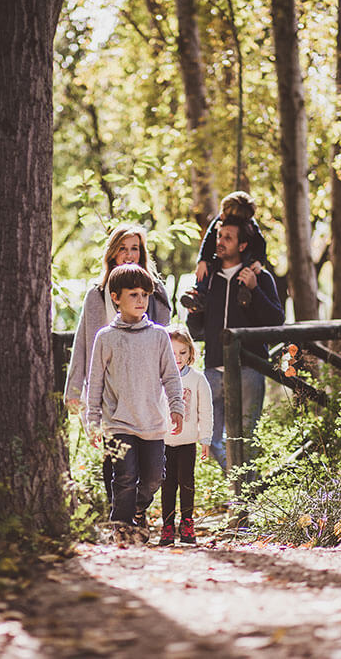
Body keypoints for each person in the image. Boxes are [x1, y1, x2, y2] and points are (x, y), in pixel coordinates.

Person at [64, 223, 171, 504]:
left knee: (151, 466)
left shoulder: (155, 292)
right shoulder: (97, 294)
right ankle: (120, 516)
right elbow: (83, 344)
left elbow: (165, 340)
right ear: (112, 253)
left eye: (134, 248)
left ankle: (135, 508)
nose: (129, 254)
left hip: (144, 388)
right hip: (107, 386)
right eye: (122, 248)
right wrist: (74, 390)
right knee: (115, 456)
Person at [86, 264, 184, 539]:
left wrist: (176, 406)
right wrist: (93, 423)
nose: (141, 300)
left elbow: (171, 377)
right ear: (116, 297)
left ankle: (138, 510)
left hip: (152, 422)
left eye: (145, 294)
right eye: (134, 294)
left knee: (154, 478)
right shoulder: (106, 338)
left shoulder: (159, 336)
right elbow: (95, 384)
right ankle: (122, 527)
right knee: (124, 478)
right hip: (118, 423)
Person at [185, 215, 285, 471]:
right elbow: (194, 329)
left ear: (242, 245)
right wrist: (195, 310)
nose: (220, 241)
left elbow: (275, 322)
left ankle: (243, 505)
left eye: (228, 237)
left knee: (246, 440)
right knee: (212, 438)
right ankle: (244, 494)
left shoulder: (260, 277)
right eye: (219, 236)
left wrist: (254, 290)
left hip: (249, 370)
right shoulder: (207, 276)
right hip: (213, 370)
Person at [159, 325, 213, 546]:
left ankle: (187, 523)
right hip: (164, 442)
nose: (178, 358)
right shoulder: (159, 378)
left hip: (188, 442)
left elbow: (206, 411)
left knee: (187, 483)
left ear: (190, 352)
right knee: (167, 484)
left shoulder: (198, 379)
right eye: (172, 353)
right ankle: (168, 525)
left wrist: (205, 439)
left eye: (182, 352)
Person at [182, 191, 268, 311]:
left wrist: (259, 261)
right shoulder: (219, 222)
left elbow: (261, 245)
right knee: (205, 270)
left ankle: (244, 291)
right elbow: (209, 240)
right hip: (221, 257)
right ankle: (198, 294)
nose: (221, 214)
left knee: (247, 269)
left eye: (224, 213)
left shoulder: (251, 227)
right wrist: (203, 260)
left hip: (246, 257)